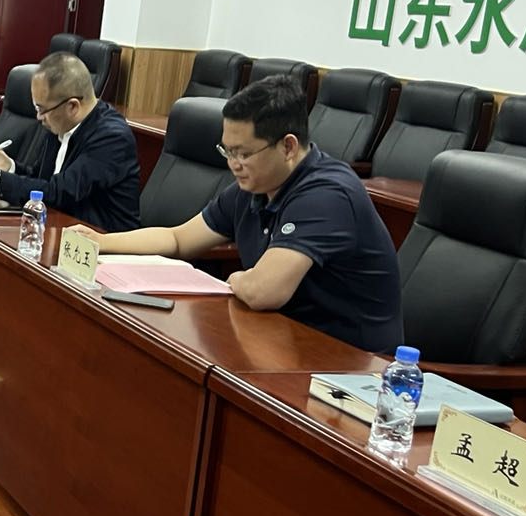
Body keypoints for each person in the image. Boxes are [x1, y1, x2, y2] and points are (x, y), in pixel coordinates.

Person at [83, 76, 403, 352]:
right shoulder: (255, 186)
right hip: (279, 340)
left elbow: (264, 292)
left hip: (349, 365)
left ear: (288, 147)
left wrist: (235, 279)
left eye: (244, 153)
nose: (233, 164)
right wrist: (101, 241)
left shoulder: (327, 194)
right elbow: (178, 239)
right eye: (227, 151)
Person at [0, 53, 142, 232]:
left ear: (72, 106)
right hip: (59, 228)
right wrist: (9, 166)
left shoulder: (111, 138)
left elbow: (59, 193)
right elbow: (42, 180)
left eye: (42, 109)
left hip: (100, 241)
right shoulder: (61, 121)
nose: (38, 117)